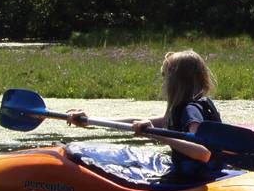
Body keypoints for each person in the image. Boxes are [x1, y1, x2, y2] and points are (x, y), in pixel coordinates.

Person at [66, 49, 222, 181]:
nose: (164, 83)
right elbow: (136, 121)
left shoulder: (190, 111)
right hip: (205, 173)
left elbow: (202, 152)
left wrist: (155, 134)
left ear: (175, 82)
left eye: (165, 76)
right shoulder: (194, 107)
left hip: (194, 178)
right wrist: (90, 120)